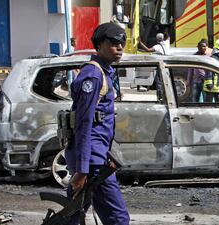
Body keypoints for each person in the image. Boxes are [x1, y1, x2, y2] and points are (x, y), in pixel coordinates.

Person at [65, 22, 130, 225]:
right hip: (92, 163)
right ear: (100, 44)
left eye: (122, 43)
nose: (119, 47)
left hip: (96, 157)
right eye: (114, 43)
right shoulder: (93, 76)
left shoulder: (104, 72)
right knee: (118, 219)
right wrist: (82, 170)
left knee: (72, 215)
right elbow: (84, 124)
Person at [203, 39, 219, 103]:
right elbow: (209, 71)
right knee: (211, 104)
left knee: (217, 104)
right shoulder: (213, 59)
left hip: (216, 87)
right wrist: (209, 83)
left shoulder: (218, 58)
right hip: (211, 87)